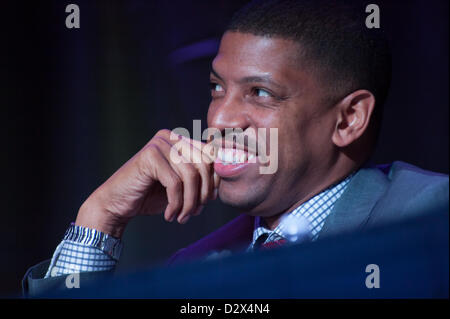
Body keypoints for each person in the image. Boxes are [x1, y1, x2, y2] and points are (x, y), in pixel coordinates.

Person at [23, 0, 448, 296]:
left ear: (348, 119)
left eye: (260, 93)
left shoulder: (432, 215)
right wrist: (100, 220)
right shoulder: (196, 264)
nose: (220, 120)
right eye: (216, 88)